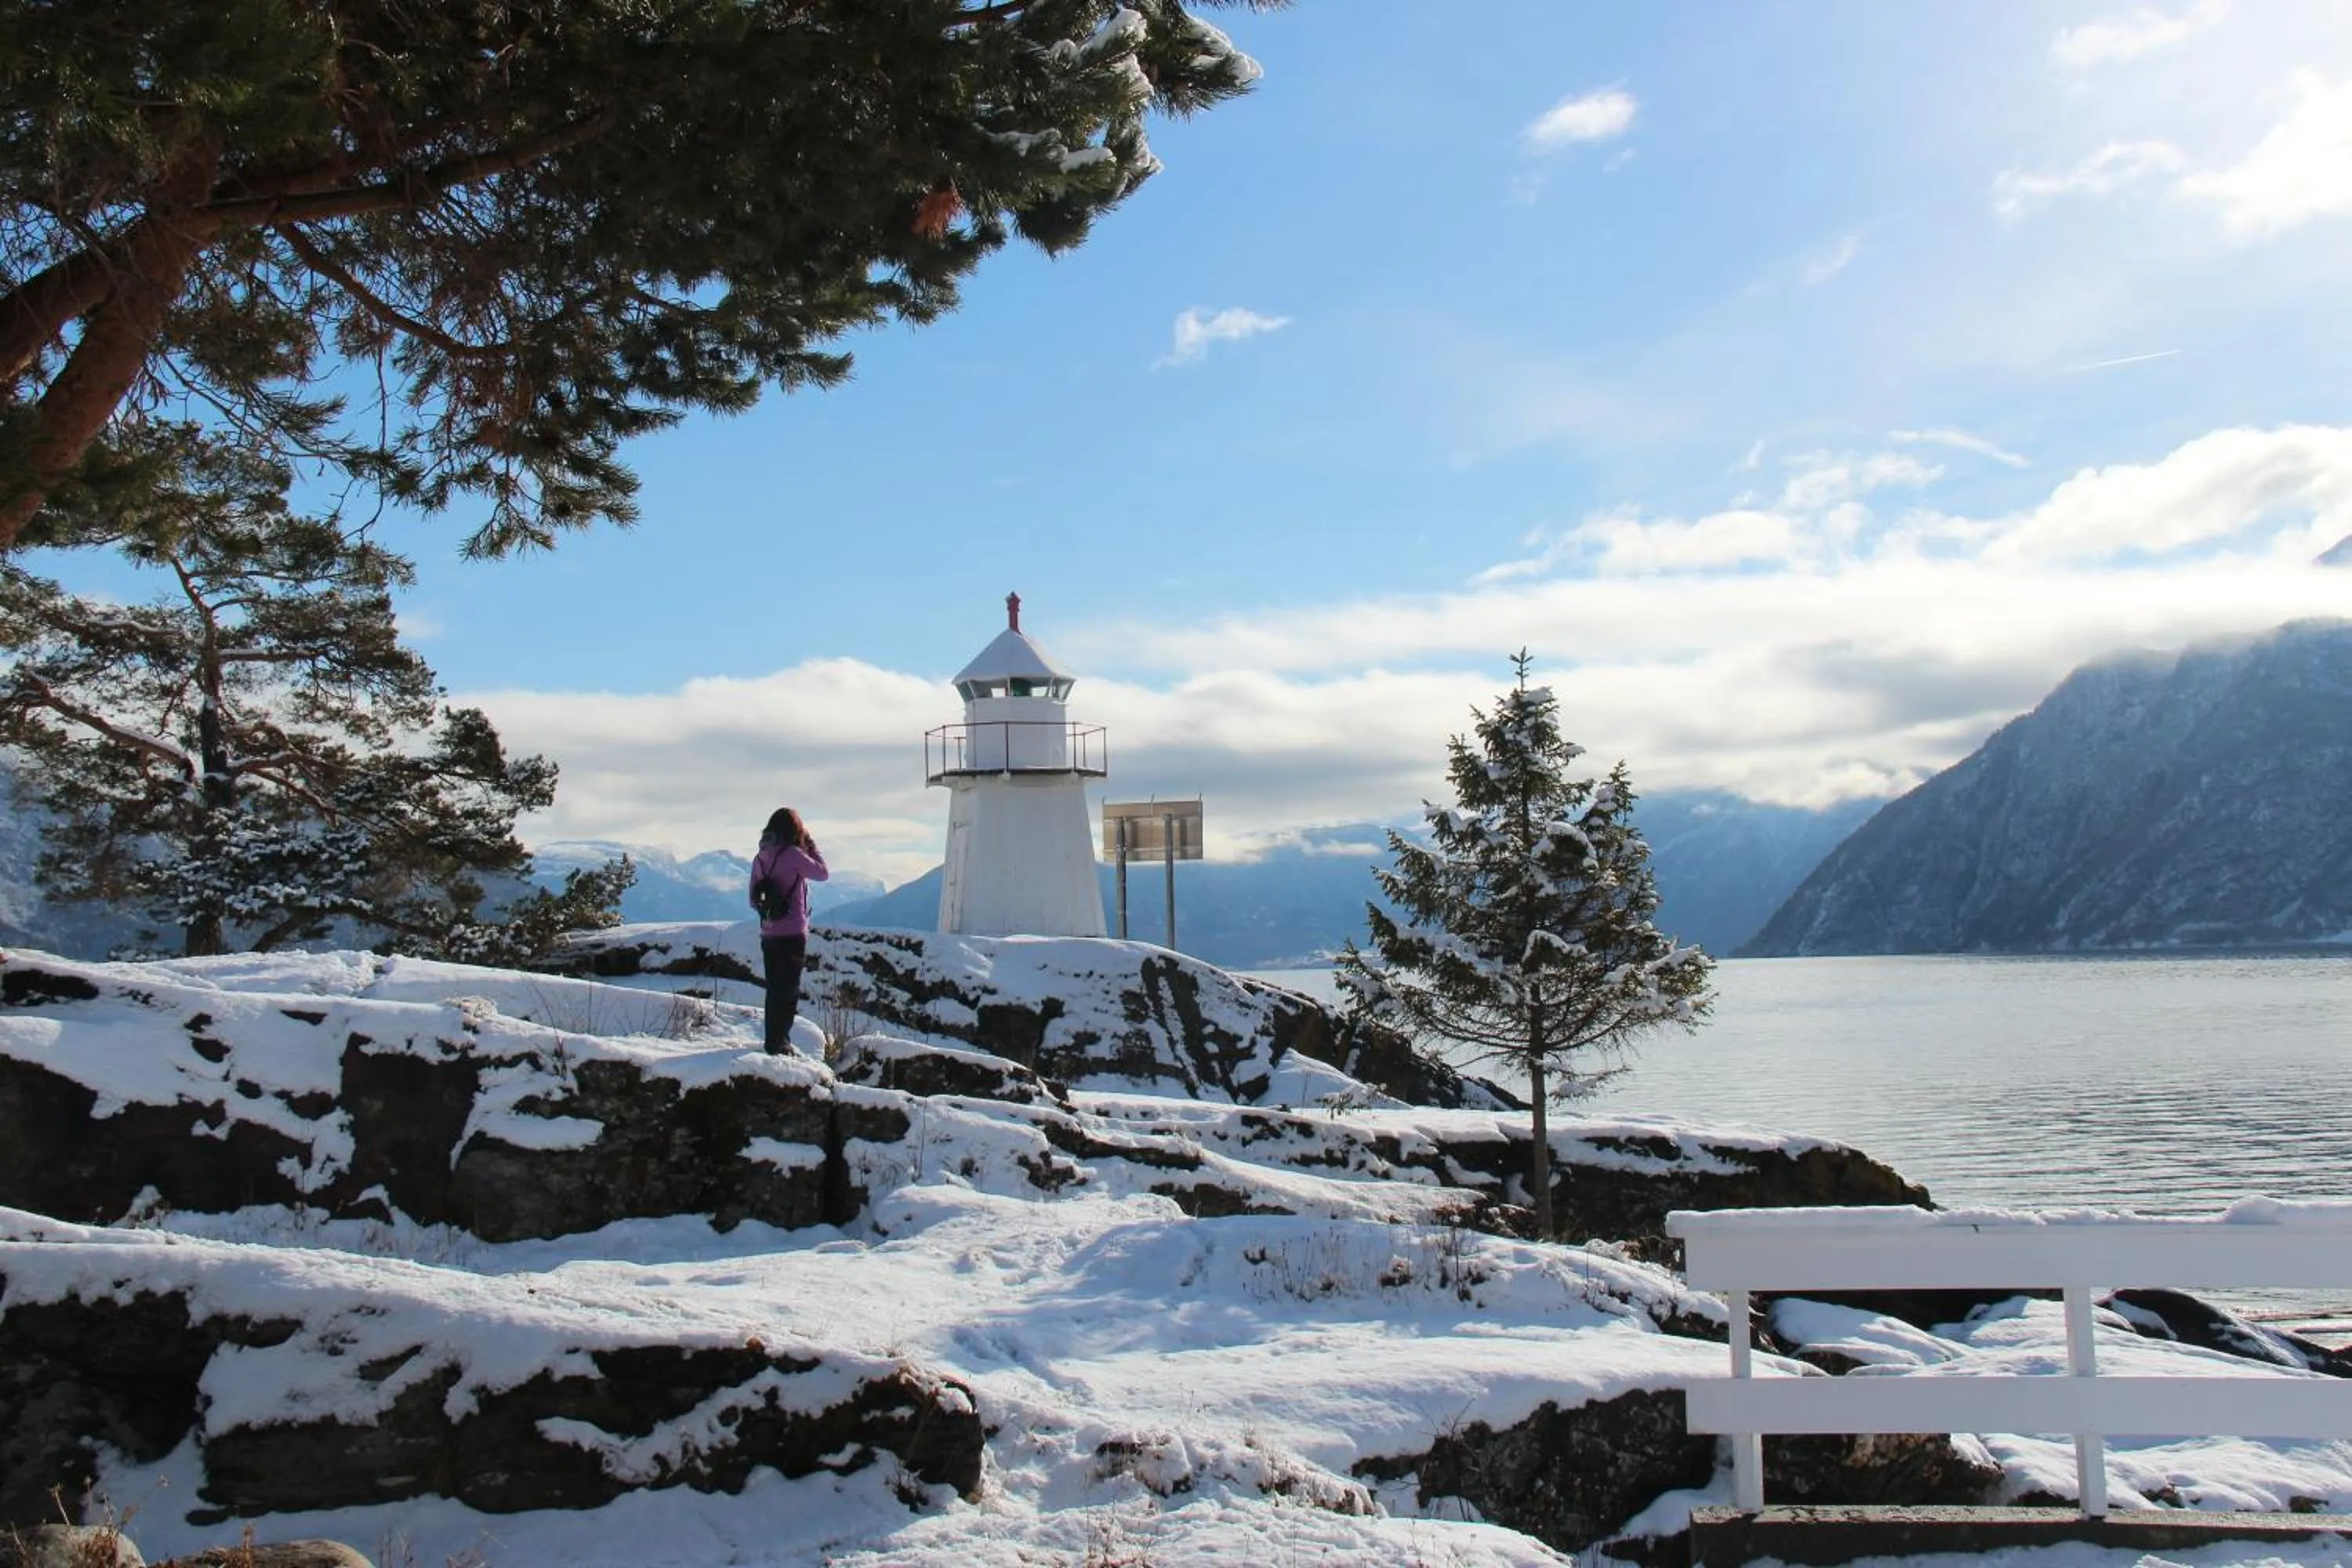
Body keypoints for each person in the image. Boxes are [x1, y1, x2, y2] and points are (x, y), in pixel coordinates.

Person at [749, 806, 829, 1053]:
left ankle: (772, 1040)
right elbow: (823, 873)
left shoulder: (760, 857)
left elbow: (753, 900)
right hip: (792, 933)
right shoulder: (793, 854)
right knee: (789, 991)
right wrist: (810, 845)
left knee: (774, 989)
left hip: (768, 933)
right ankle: (779, 1043)